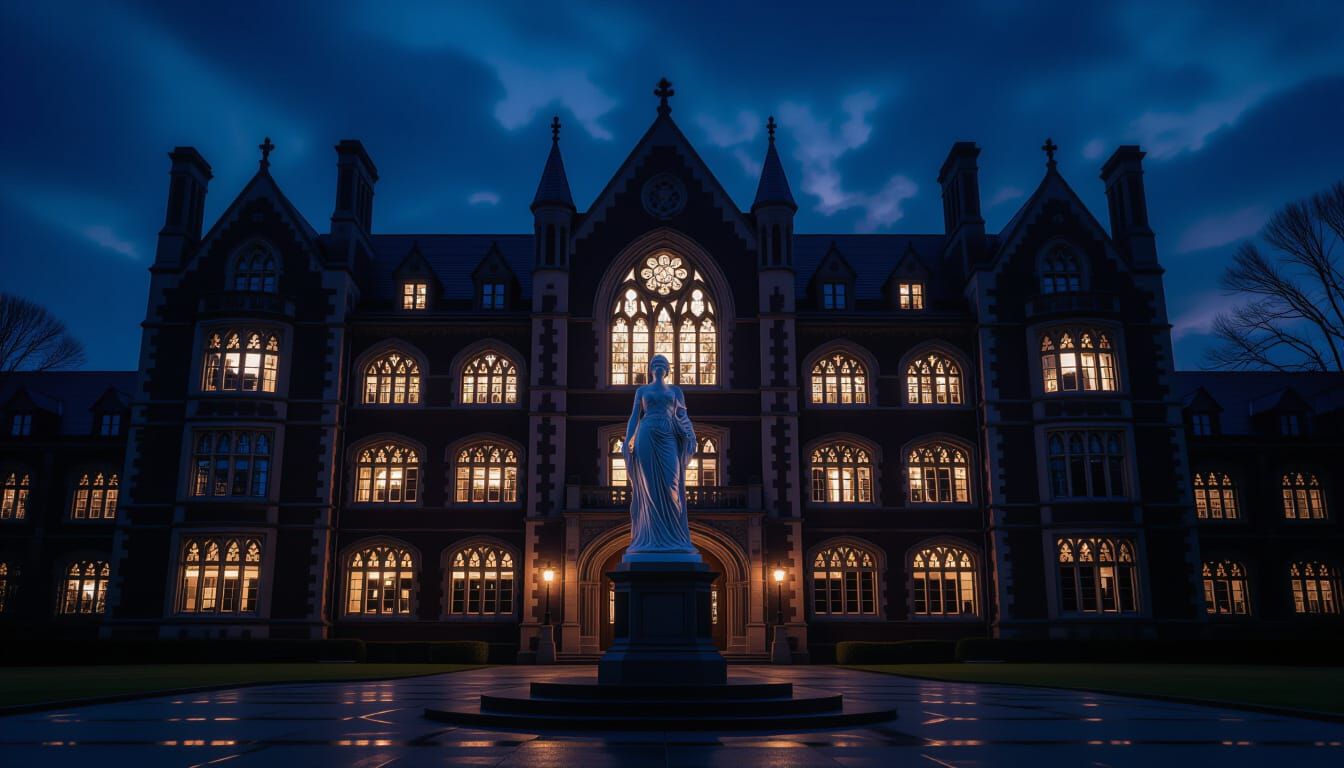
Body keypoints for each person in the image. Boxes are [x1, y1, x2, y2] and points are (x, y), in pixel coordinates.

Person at [622, 354, 698, 559]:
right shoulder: (642, 391)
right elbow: (633, 417)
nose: (658, 367)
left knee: (671, 484)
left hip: (669, 435)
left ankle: (673, 535)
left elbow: (682, 416)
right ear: (650, 369)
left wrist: (690, 435)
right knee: (649, 486)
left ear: (667, 370)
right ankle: (651, 537)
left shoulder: (675, 391)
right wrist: (628, 439)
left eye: (662, 364)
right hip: (646, 434)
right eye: (654, 364)